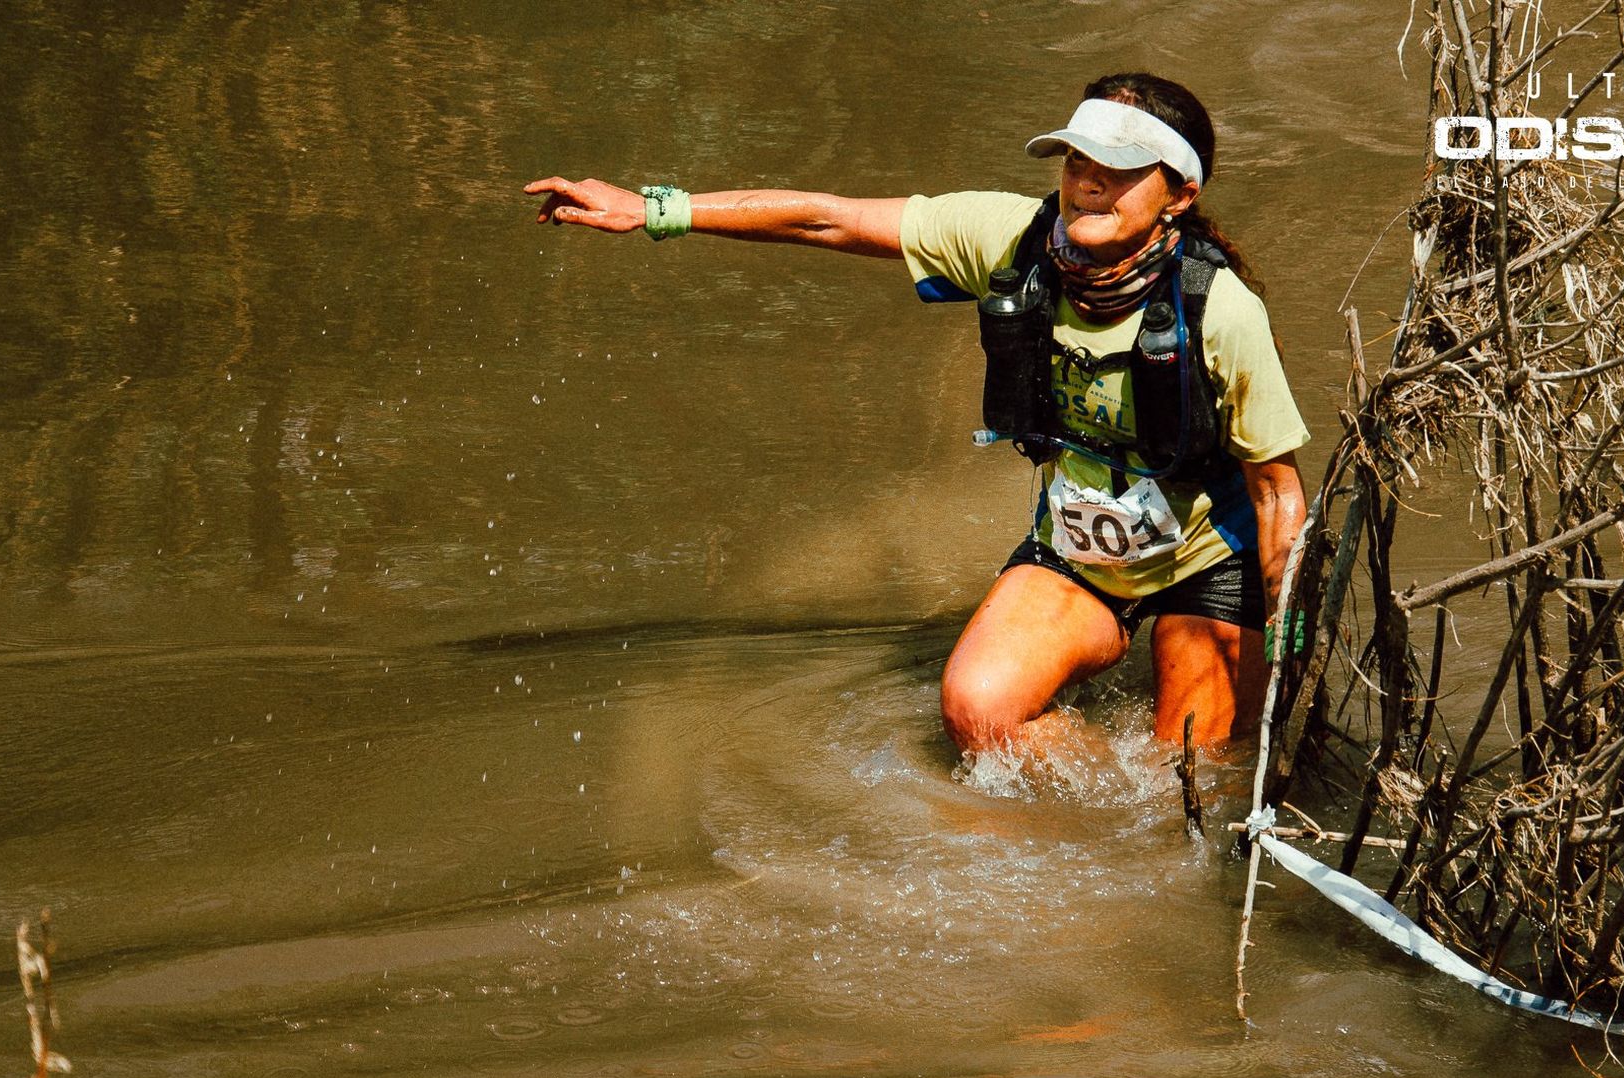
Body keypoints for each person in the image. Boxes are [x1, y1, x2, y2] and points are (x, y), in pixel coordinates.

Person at [526, 72, 1308, 762]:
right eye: (1077, 162)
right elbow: (829, 219)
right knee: (980, 713)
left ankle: (1166, 784)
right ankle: (1112, 803)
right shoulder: (1015, 240)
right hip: (1081, 546)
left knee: (1194, 774)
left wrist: (1287, 628)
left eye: (1121, 169)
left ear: (1181, 192)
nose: (1089, 184)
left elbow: (1277, 493)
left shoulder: (1221, 311)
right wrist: (656, 209)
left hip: (1208, 558)